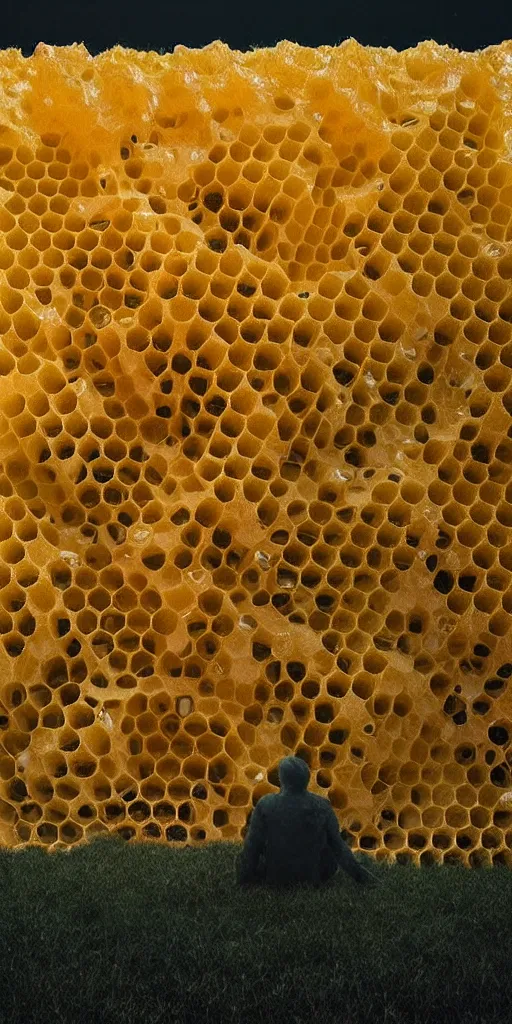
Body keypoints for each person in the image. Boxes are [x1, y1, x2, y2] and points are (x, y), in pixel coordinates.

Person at [235, 755, 379, 889]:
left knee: (247, 851)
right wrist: (365, 879)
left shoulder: (266, 804)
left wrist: (244, 880)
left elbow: (252, 846)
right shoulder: (322, 805)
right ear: (307, 779)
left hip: (275, 878)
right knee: (331, 841)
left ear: (281, 778)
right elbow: (339, 848)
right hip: (314, 878)